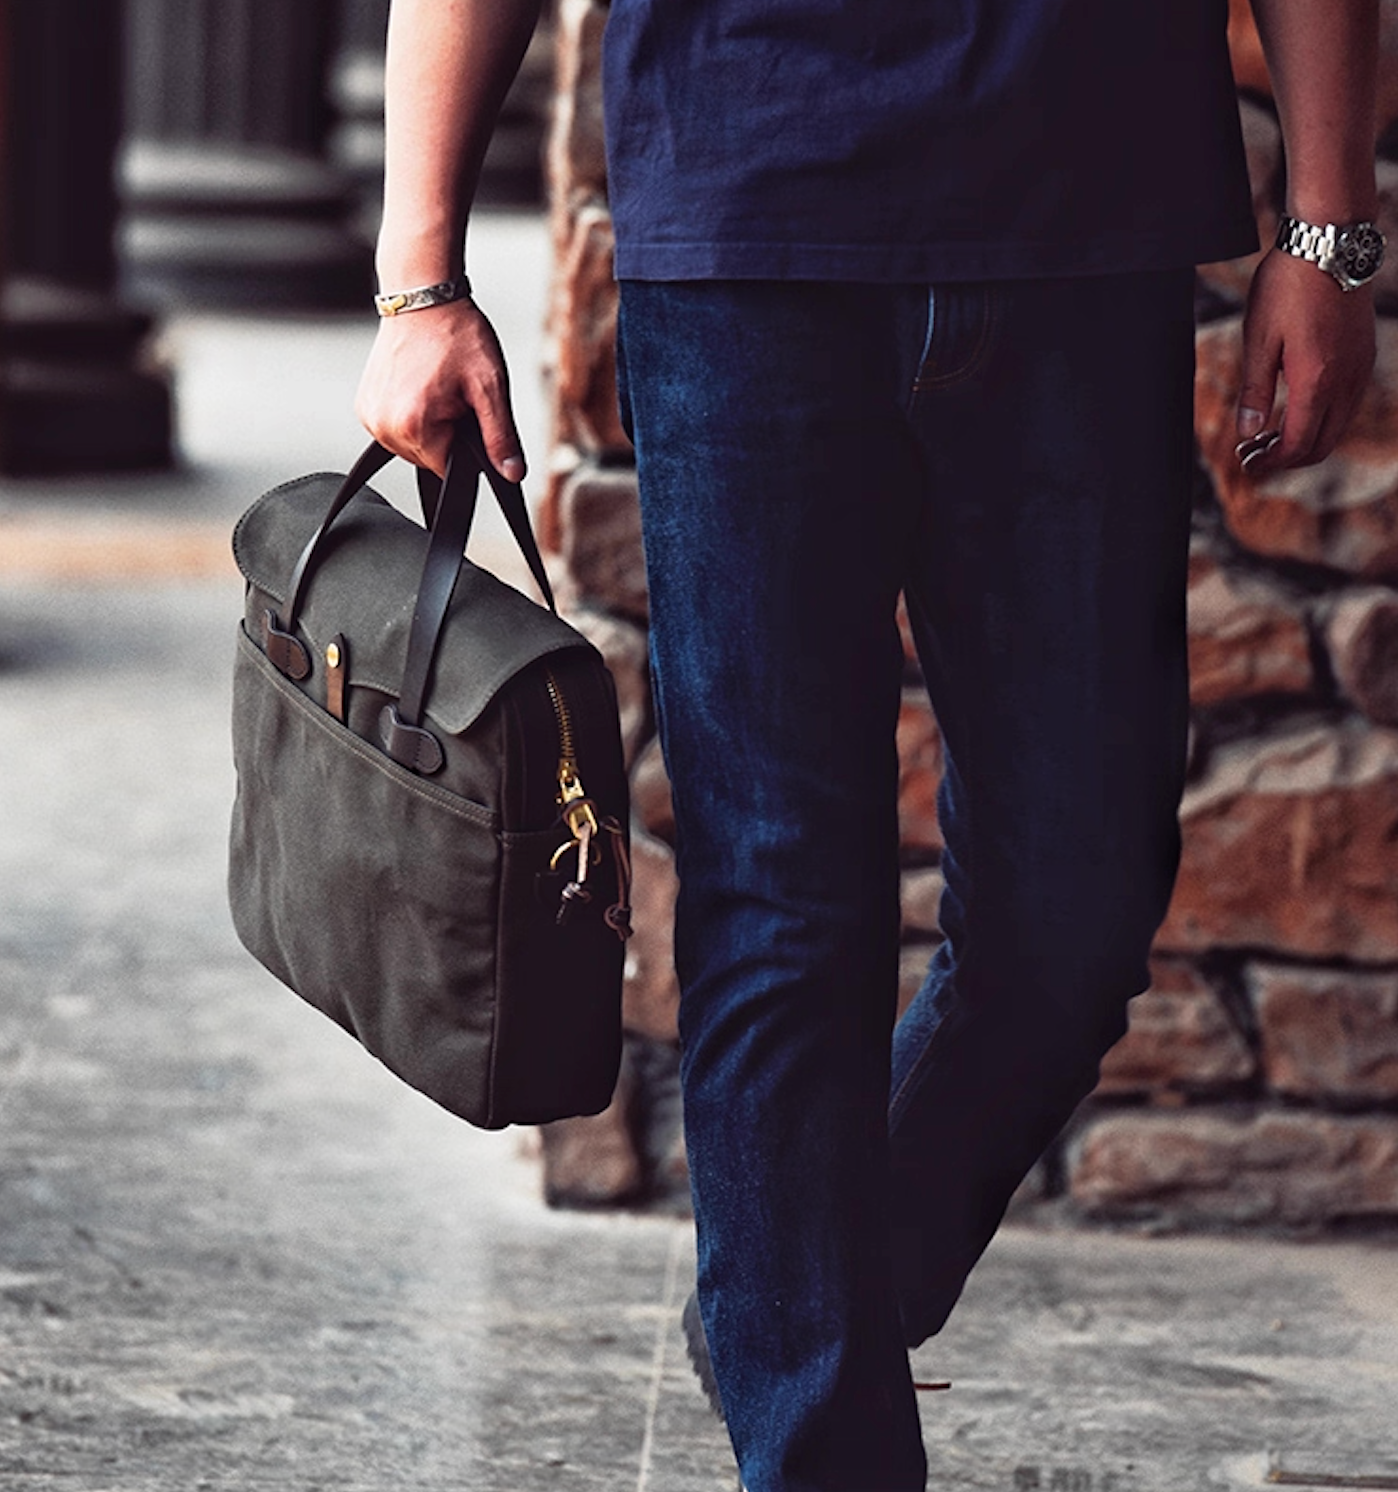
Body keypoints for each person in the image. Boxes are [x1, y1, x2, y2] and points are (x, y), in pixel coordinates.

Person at [356, 2, 1382, 1488]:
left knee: (1077, 910)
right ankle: (810, 1409)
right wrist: (418, 279)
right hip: (746, 235)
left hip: (1084, 235)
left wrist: (1326, 231)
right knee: (778, 899)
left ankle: (788, 1302)